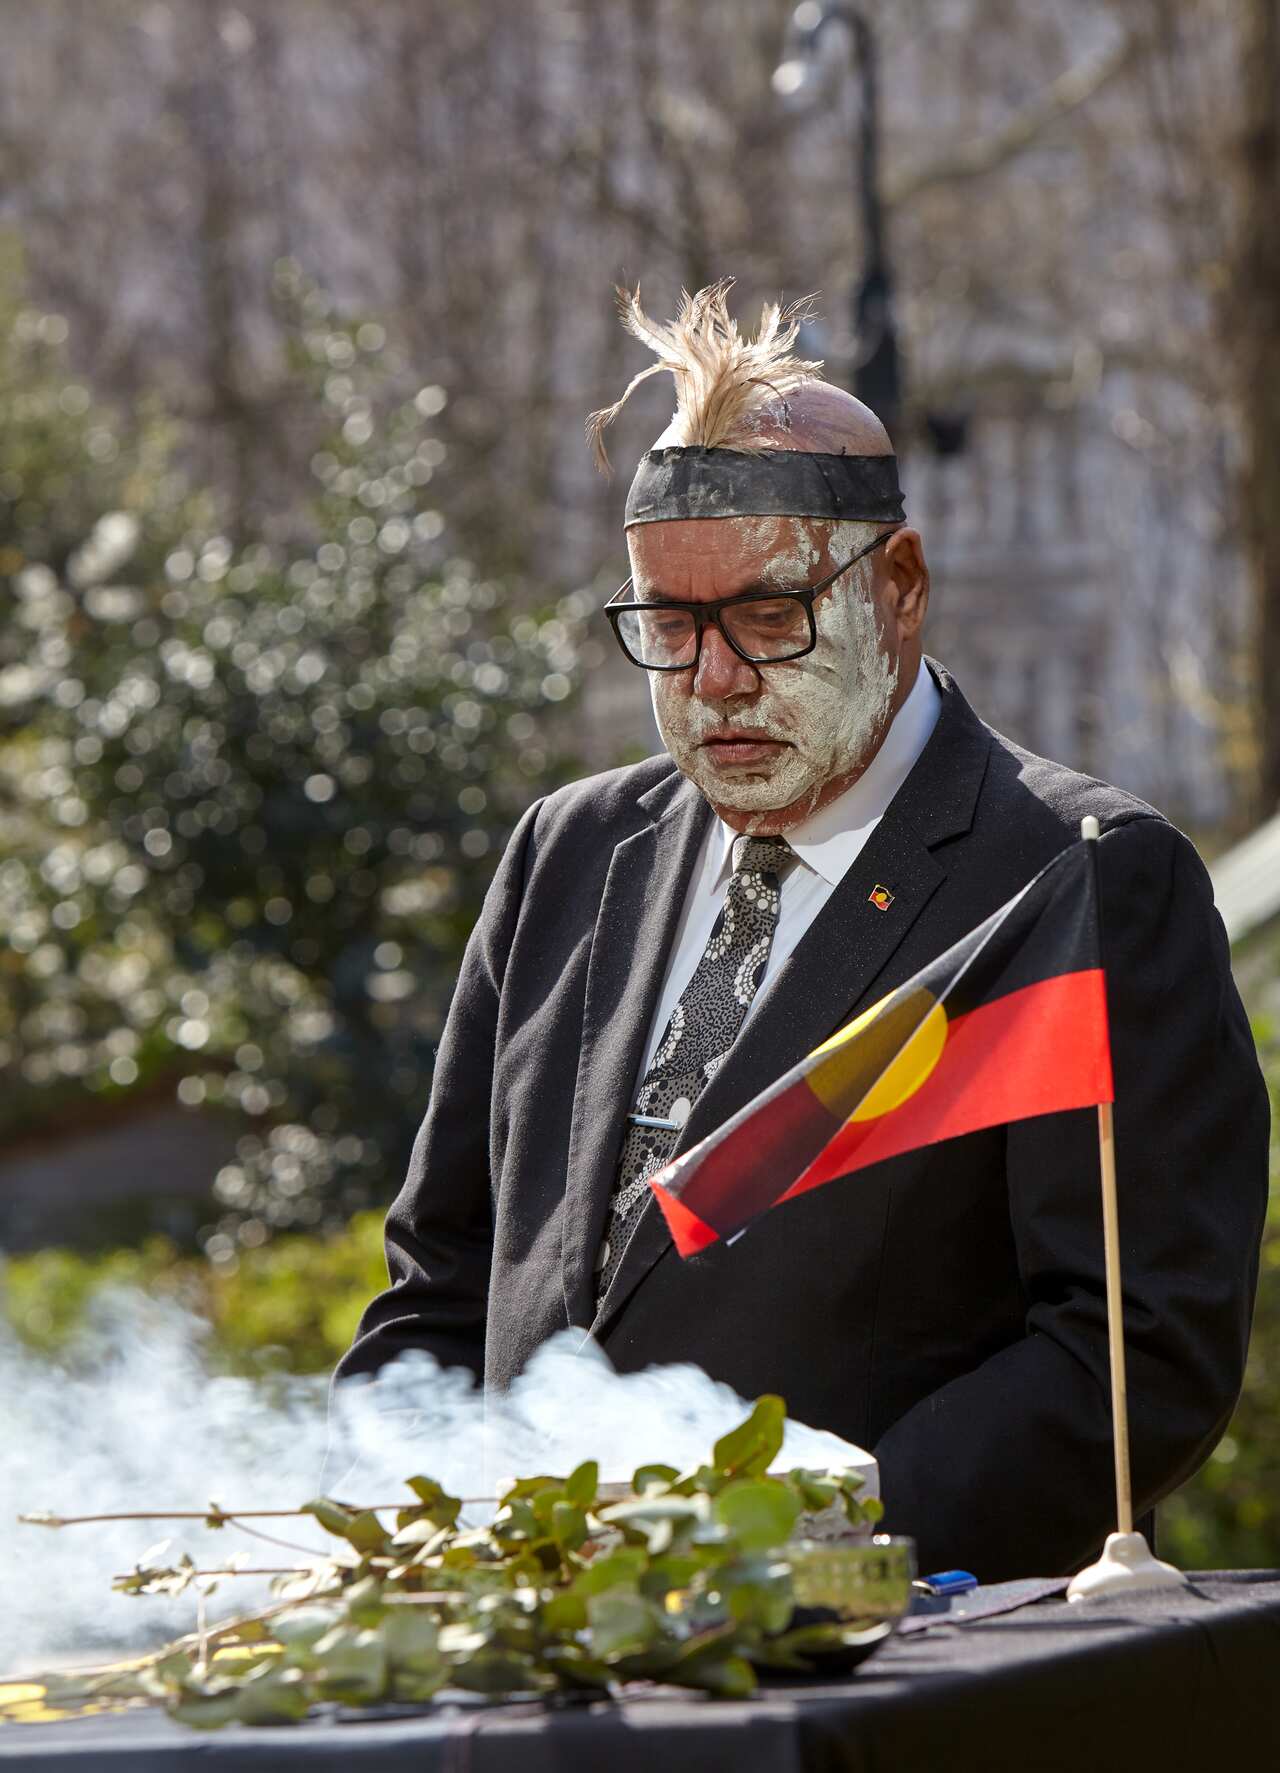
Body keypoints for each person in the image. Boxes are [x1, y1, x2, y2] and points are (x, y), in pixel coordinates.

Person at [336, 281, 1269, 1580]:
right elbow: (444, 1281)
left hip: (891, 1684)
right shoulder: (568, 850)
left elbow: (1134, 1349)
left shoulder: (1082, 876)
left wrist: (796, 1540)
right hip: (541, 1681)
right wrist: (382, 1518)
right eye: (668, 625)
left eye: (770, 617)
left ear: (899, 586)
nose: (713, 678)